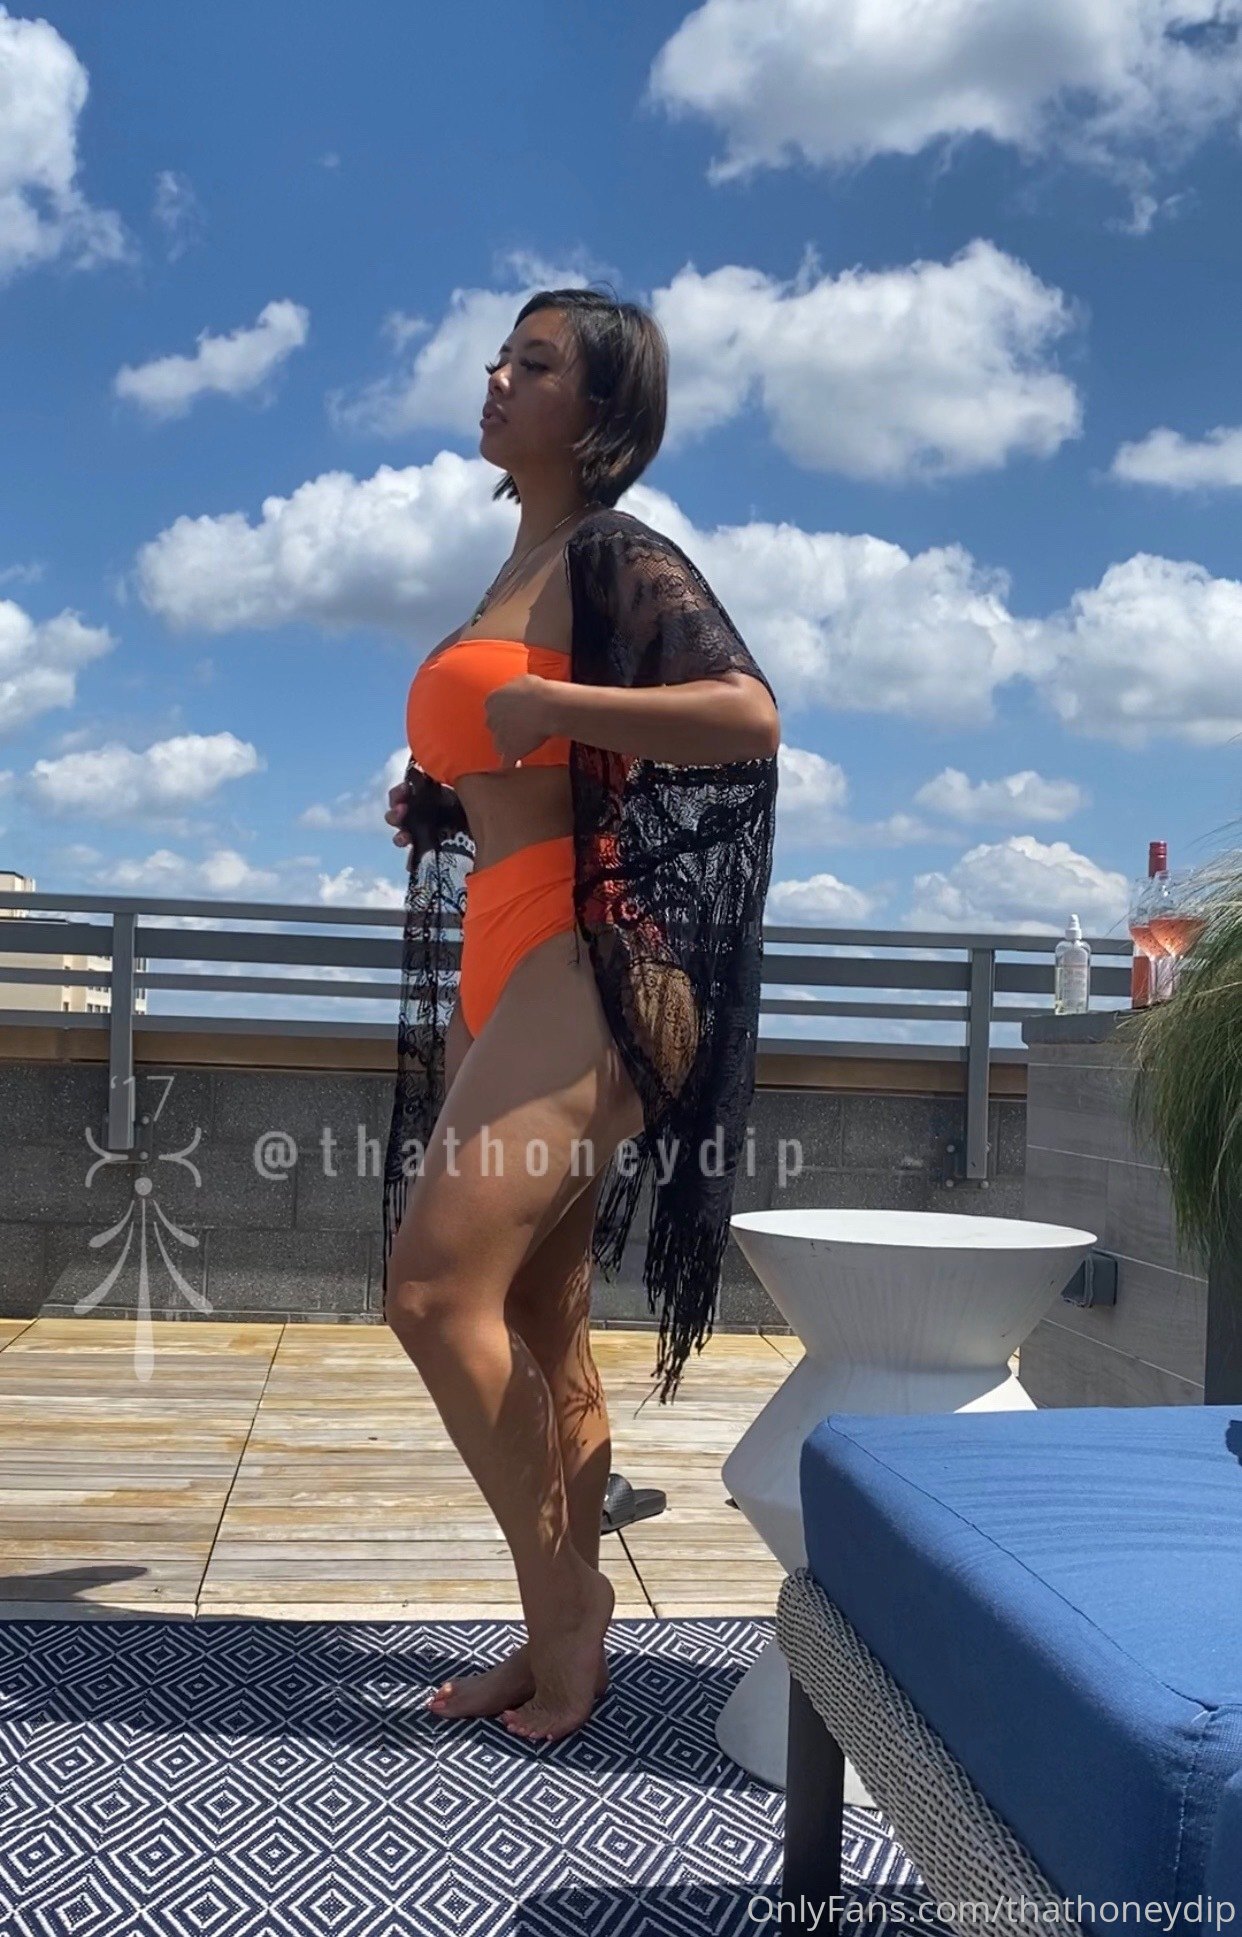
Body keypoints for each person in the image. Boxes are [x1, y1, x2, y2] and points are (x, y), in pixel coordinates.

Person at [382, 285, 780, 1743]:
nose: (498, 375)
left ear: (600, 409)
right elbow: (526, 768)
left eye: (535, 363)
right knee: (540, 1318)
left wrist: (554, 706)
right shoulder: (521, 566)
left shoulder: (614, 551)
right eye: (501, 354)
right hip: (508, 952)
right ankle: (554, 1630)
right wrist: (439, 804)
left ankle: (571, 1612)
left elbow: (745, 715)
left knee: (433, 1293)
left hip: (599, 954)